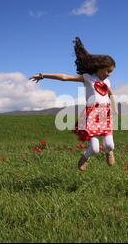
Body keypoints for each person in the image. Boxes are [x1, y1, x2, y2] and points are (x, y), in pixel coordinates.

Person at [29, 37, 118, 171]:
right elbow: (65, 77)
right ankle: (85, 156)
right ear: (100, 67)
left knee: (110, 145)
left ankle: (109, 152)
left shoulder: (107, 82)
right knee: (94, 148)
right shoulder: (88, 78)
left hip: (105, 114)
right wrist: (43, 75)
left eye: (111, 72)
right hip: (92, 115)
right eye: (108, 71)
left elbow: (111, 94)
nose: (109, 75)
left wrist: (115, 107)